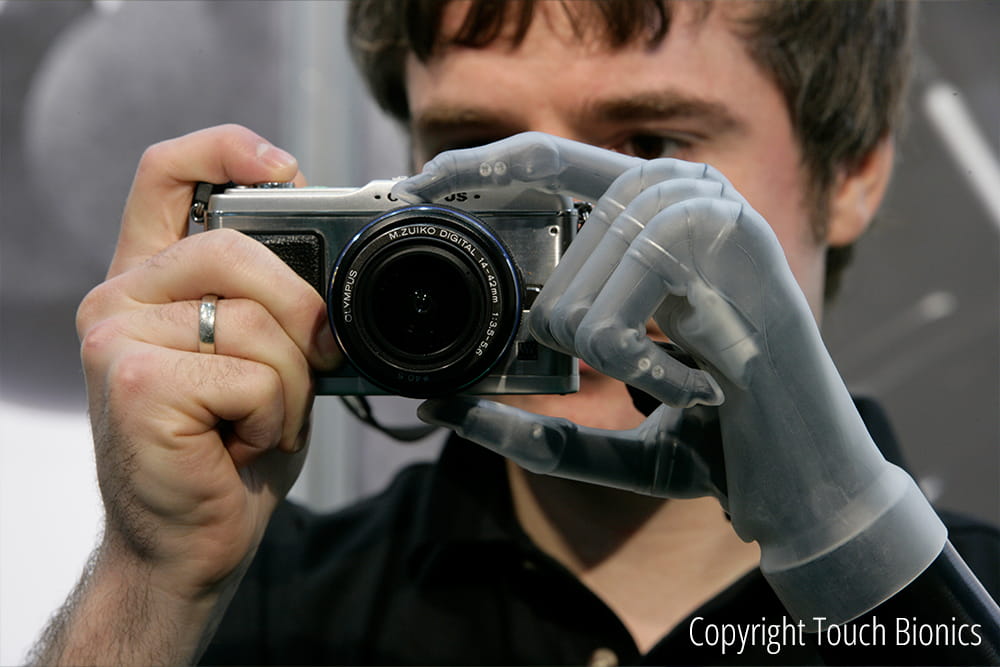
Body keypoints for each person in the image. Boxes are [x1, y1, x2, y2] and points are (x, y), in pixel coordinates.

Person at [29, 1, 999, 665]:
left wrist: (847, 540)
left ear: (855, 174)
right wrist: (148, 588)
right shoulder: (249, 607)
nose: (552, 237)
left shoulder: (974, 607)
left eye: (649, 153)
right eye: (473, 157)